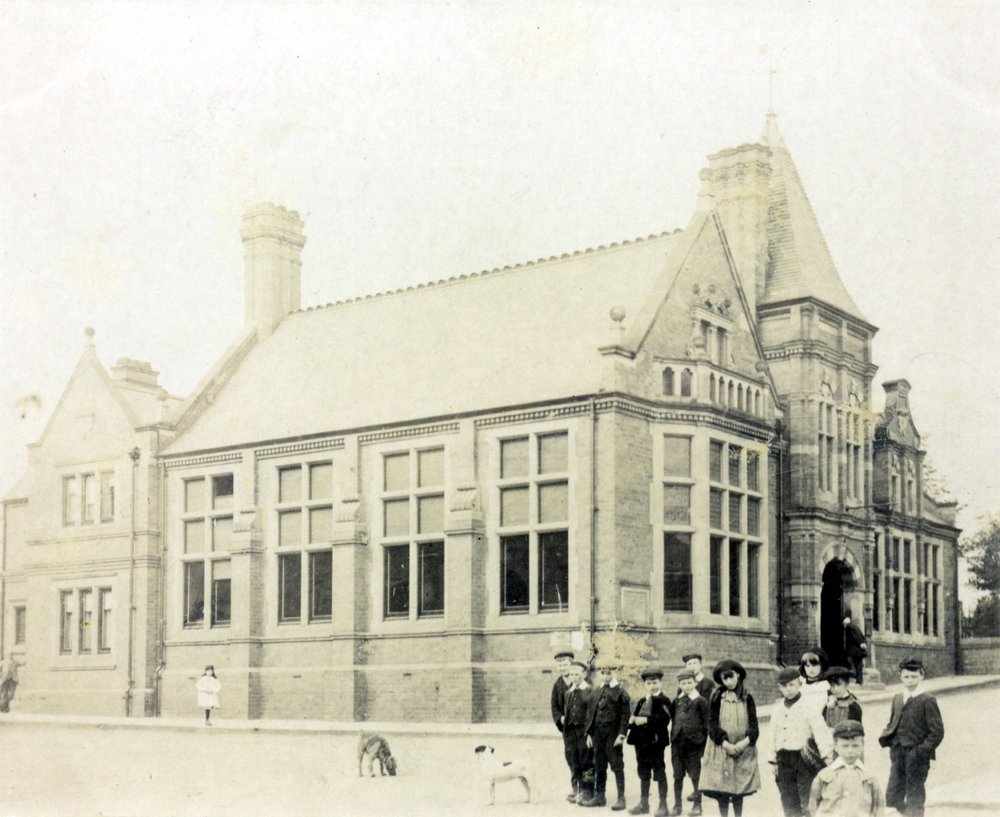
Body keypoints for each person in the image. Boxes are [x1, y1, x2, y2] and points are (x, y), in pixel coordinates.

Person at [877, 657, 944, 817]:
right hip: (898, 753)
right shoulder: (898, 698)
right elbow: (893, 721)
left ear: (921, 676)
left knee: (915, 795)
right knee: (893, 794)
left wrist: (921, 751)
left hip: (916, 755)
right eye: (906, 677)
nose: (910, 680)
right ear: (900, 676)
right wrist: (891, 740)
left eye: (914, 677)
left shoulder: (927, 700)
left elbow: (937, 732)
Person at [767, 666, 834, 817]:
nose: (788, 689)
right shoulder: (777, 710)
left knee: (807, 798)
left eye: (792, 685)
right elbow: (773, 735)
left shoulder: (809, 706)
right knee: (788, 800)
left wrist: (826, 756)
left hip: (803, 759)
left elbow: (820, 731)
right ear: (779, 688)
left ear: (799, 684)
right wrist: (773, 760)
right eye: (784, 686)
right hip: (783, 759)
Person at [699, 659, 761, 817]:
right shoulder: (717, 698)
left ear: (738, 675)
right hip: (722, 748)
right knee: (723, 789)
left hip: (742, 749)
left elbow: (754, 727)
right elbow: (712, 726)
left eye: (731, 676)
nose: (729, 681)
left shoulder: (748, 698)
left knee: (738, 788)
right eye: (724, 679)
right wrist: (725, 744)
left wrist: (744, 743)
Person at [807, 720, 883, 817]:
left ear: (863, 745)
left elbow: (878, 809)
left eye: (855, 746)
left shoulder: (869, 778)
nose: (850, 751)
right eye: (845, 746)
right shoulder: (823, 776)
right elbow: (813, 808)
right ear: (835, 746)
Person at [585, 659, 631, 810]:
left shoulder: (620, 692)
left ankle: (621, 798)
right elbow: (590, 713)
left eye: (609, 673)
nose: (605, 676)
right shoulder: (596, 691)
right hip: (597, 734)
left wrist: (622, 734)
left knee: (617, 765)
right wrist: (589, 734)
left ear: (614, 673)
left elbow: (625, 715)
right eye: (603, 673)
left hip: (612, 734)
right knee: (599, 765)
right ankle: (600, 796)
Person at [627, 667, 672, 816]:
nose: (652, 686)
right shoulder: (642, 700)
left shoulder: (664, 700)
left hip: (656, 743)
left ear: (660, 683)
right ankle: (644, 804)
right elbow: (634, 718)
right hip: (641, 743)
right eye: (649, 683)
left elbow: (664, 720)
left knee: (659, 772)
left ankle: (663, 805)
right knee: (643, 772)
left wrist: (646, 720)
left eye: (655, 682)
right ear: (645, 685)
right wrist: (632, 721)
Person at [670, 669, 710, 816]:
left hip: (694, 744)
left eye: (689, 682)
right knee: (677, 775)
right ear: (679, 684)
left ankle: (697, 805)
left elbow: (706, 725)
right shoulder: (677, 701)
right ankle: (677, 805)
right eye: (683, 683)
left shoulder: (701, 701)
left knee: (695, 775)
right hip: (677, 743)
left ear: (695, 682)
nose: (686, 686)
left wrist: (704, 747)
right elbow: (674, 720)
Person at [564, 660, 596, 805]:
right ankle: (577, 790)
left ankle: (588, 791)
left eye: (577, 674)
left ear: (584, 674)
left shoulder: (589, 691)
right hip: (571, 732)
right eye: (571, 674)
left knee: (587, 762)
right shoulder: (569, 692)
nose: (574, 677)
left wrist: (590, 733)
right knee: (574, 760)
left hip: (584, 731)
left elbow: (592, 714)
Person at [551, 649, 577, 799]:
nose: (562, 668)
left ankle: (587, 788)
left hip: (581, 728)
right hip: (567, 729)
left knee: (585, 758)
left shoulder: (579, 680)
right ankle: (575, 788)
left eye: (565, 664)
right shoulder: (557, 684)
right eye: (559, 665)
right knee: (570, 756)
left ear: (571, 664)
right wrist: (559, 718)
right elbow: (554, 706)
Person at [822, 667, 863, 733]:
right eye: (832, 686)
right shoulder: (828, 705)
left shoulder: (853, 706)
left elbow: (857, 731)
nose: (836, 689)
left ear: (846, 684)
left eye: (839, 685)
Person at [799, 648, 831, 715]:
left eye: (814, 665)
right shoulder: (800, 685)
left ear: (821, 666)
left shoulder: (827, 686)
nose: (811, 669)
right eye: (807, 666)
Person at [842, 617, 867, 686]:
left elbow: (856, 638)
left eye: (844, 624)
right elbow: (862, 637)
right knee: (858, 664)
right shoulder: (855, 627)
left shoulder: (849, 628)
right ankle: (858, 679)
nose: (844, 626)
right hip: (857, 650)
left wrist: (860, 644)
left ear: (846, 623)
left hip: (855, 651)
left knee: (857, 664)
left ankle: (858, 679)